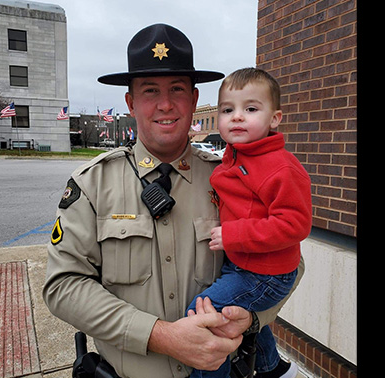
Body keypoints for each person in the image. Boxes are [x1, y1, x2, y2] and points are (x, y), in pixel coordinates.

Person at [43, 24, 305, 378]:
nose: (165, 104)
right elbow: (63, 285)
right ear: (131, 103)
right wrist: (161, 336)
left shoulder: (231, 178)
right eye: (150, 91)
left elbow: (288, 261)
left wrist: (254, 317)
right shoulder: (92, 185)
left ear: (194, 100)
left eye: (177, 90)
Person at [186, 68, 312, 378]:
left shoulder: (281, 167)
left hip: (265, 273)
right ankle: (274, 369)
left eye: (251, 109)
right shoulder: (236, 156)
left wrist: (234, 235)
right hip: (245, 264)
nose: (237, 117)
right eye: (228, 110)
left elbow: (295, 224)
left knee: (203, 314)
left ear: (275, 118)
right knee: (244, 317)